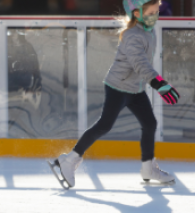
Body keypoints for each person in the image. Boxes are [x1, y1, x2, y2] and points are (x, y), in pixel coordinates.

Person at [52, 0, 180, 188]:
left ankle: (148, 168)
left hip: (135, 88)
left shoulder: (148, 31)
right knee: (104, 125)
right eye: (151, 12)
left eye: (156, 11)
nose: (155, 16)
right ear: (137, 14)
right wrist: (158, 83)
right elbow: (140, 63)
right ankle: (69, 160)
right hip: (118, 87)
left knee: (150, 123)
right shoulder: (132, 35)